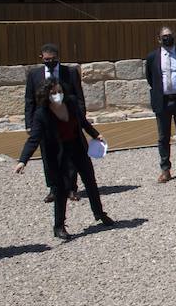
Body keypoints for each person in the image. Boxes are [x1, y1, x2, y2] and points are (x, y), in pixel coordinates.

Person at [14, 79, 114, 240]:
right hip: (58, 155)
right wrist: (22, 160)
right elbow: (34, 139)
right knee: (60, 189)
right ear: (46, 96)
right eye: (53, 93)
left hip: (78, 148)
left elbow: (83, 123)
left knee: (90, 181)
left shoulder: (71, 103)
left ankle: (100, 213)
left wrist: (96, 134)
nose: (57, 95)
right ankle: (59, 226)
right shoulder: (41, 114)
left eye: (59, 91)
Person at [23, 43, 85, 203]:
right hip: (45, 122)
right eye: (46, 59)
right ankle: (54, 188)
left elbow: (79, 96)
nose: (49, 62)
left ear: (58, 58)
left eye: (52, 59)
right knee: (48, 155)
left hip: (66, 119)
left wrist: (80, 118)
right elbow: (29, 100)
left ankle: (71, 188)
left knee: (70, 155)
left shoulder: (69, 72)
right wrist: (29, 123)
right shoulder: (34, 75)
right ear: (41, 58)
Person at [145, 25, 176, 183]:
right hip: (162, 100)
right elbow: (150, 77)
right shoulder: (152, 57)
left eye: (169, 35)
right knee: (163, 136)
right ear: (159, 39)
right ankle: (165, 169)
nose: (167, 38)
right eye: (164, 36)